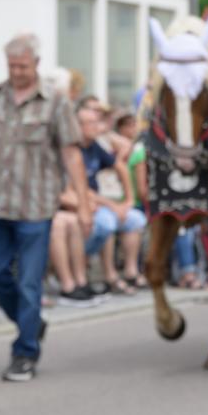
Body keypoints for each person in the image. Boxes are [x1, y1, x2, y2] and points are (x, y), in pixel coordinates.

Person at [0, 34, 92, 382]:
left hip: (36, 208)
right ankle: (32, 323)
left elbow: (72, 155)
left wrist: (84, 204)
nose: (17, 72)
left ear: (36, 65)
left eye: (23, 66)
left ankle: (24, 352)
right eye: (12, 66)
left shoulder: (56, 103)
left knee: (30, 284)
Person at [76, 106, 146, 293]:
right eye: (92, 123)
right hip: (81, 203)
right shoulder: (74, 150)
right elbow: (79, 188)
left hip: (98, 203)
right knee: (107, 222)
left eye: (98, 122)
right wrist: (114, 206)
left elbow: (120, 167)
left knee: (135, 219)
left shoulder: (95, 146)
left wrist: (129, 200)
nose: (97, 127)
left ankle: (131, 271)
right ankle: (102, 272)